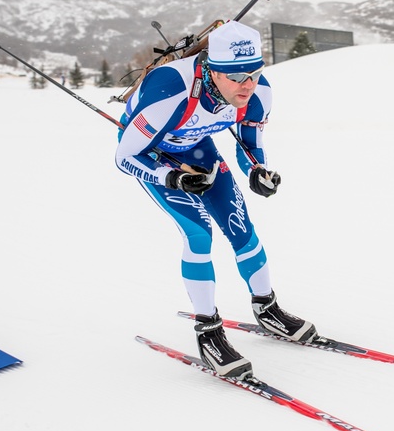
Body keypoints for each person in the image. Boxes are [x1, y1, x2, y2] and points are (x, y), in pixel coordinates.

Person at [114, 21, 318, 379]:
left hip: (199, 149)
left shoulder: (258, 94)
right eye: (237, 76)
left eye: (255, 73)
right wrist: (170, 177)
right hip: (155, 156)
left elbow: (251, 144)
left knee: (242, 230)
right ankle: (208, 330)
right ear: (213, 71)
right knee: (199, 235)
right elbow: (125, 157)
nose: (248, 84)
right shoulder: (170, 92)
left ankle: (267, 308)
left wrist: (258, 169)